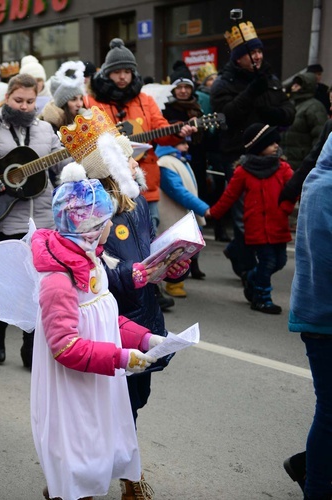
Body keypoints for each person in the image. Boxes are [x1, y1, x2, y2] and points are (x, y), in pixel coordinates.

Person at [69, 109, 187, 496]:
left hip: (143, 315)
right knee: (104, 408)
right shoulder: (83, 208)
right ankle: (105, 479)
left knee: (134, 402)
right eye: (125, 156)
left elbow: (148, 252)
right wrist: (130, 275)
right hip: (109, 321)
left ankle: (120, 470)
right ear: (106, 166)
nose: (134, 163)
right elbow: (85, 269)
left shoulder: (134, 202)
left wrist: (172, 265)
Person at [31, 160, 163, 500]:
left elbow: (106, 315)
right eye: (106, 222)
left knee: (99, 444)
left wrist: (146, 338)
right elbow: (64, 347)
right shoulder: (59, 281)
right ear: (92, 228)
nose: (110, 227)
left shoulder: (92, 260)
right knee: (79, 452)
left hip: (98, 376)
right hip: (75, 384)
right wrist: (119, 357)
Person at [0, 73, 68, 368]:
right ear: (7, 98)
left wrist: (80, 154)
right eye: (18, 100)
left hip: (44, 220)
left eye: (30, 101)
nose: (24, 106)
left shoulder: (47, 130)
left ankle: (29, 348)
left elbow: (61, 161)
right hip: (6, 218)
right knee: (7, 285)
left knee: (39, 288)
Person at [210, 19, 295, 279]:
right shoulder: (224, 83)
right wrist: (250, 92)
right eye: (251, 53)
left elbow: (289, 112)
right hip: (238, 155)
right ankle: (248, 267)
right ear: (238, 58)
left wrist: (273, 112)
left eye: (259, 52)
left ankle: (242, 252)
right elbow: (226, 116)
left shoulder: (270, 78)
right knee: (244, 214)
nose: (257, 56)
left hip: (270, 155)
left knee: (266, 210)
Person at [87, 38, 196, 228]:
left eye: (127, 72)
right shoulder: (94, 102)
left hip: (145, 183)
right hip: (110, 185)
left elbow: (161, 129)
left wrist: (179, 130)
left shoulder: (145, 99)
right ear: (107, 74)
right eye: (117, 72)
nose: (122, 77)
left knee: (147, 239)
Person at [283, 133, 332, 500]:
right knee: (330, 412)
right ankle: (316, 485)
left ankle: (307, 465)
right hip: (324, 320)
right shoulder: (323, 188)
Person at [206, 123, 295, 314]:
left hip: (278, 224)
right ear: (258, 146)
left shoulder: (283, 167)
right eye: (271, 143)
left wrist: (285, 208)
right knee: (267, 262)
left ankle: (252, 279)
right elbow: (229, 196)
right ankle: (262, 299)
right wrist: (213, 213)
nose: (276, 146)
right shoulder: (243, 171)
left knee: (280, 261)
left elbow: (294, 189)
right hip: (256, 226)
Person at [156, 141, 209, 288]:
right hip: (174, 215)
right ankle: (171, 284)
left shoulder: (178, 161)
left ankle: (175, 281)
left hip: (183, 213)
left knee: (182, 251)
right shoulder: (166, 163)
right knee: (173, 252)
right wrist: (203, 208)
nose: (187, 146)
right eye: (182, 142)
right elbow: (177, 190)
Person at [281, 73, 328, 170]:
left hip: (302, 164)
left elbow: (319, 137)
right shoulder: (290, 104)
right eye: (294, 83)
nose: (294, 86)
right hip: (286, 161)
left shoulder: (314, 107)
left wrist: (312, 161)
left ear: (307, 86)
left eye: (298, 84)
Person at [40, 61, 87, 132]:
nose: (79, 104)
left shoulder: (81, 119)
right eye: (73, 99)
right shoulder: (49, 127)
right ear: (62, 103)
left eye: (81, 99)